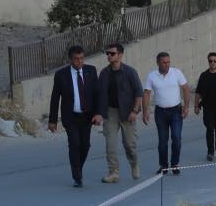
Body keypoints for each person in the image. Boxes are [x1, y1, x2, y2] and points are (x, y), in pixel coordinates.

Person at [47, 45, 101, 188]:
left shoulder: (91, 71)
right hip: (70, 117)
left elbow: (97, 93)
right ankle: (77, 176)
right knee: (75, 144)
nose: (80, 62)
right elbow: (55, 98)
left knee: (85, 145)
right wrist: (52, 120)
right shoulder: (61, 75)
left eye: (82, 58)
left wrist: (98, 113)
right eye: (76, 59)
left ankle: (78, 167)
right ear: (70, 59)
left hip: (87, 116)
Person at [95, 42, 144, 183]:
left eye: (112, 53)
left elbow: (138, 93)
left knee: (129, 144)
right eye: (107, 53)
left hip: (128, 112)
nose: (109, 56)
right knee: (110, 143)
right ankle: (113, 172)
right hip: (110, 112)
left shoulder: (130, 72)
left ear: (120, 55)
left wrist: (135, 111)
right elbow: (100, 94)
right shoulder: (104, 73)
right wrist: (99, 113)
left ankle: (134, 164)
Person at [142, 51, 189, 176]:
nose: (167, 64)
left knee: (176, 137)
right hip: (160, 112)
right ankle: (163, 165)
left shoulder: (176, 72)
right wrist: (145, 111)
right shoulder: (152, 76)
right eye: (164, 62)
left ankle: (175, 164)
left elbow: (185, 88)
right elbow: (146, 93)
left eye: (168, 62)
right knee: (163, 140)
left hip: (176, 111)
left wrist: (186, 107)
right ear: (158, 63)